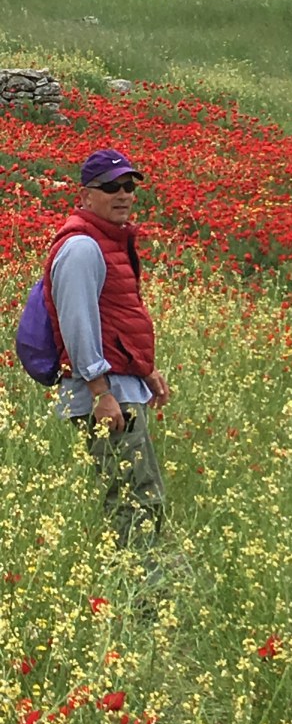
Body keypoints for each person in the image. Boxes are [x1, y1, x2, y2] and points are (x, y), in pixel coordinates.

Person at [43, 148, 169, 556]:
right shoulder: (82, 247)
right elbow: (78, 325)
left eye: (129, 185)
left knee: (140, 495)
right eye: (111, 187)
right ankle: (142, 584)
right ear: (85, 196)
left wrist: (144, 370)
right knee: (135, 501)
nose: (124, 194)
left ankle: (144, 576)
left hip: (121, 388)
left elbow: (115, 319)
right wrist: (101, 392)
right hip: (107, 395)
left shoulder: (108, 241)